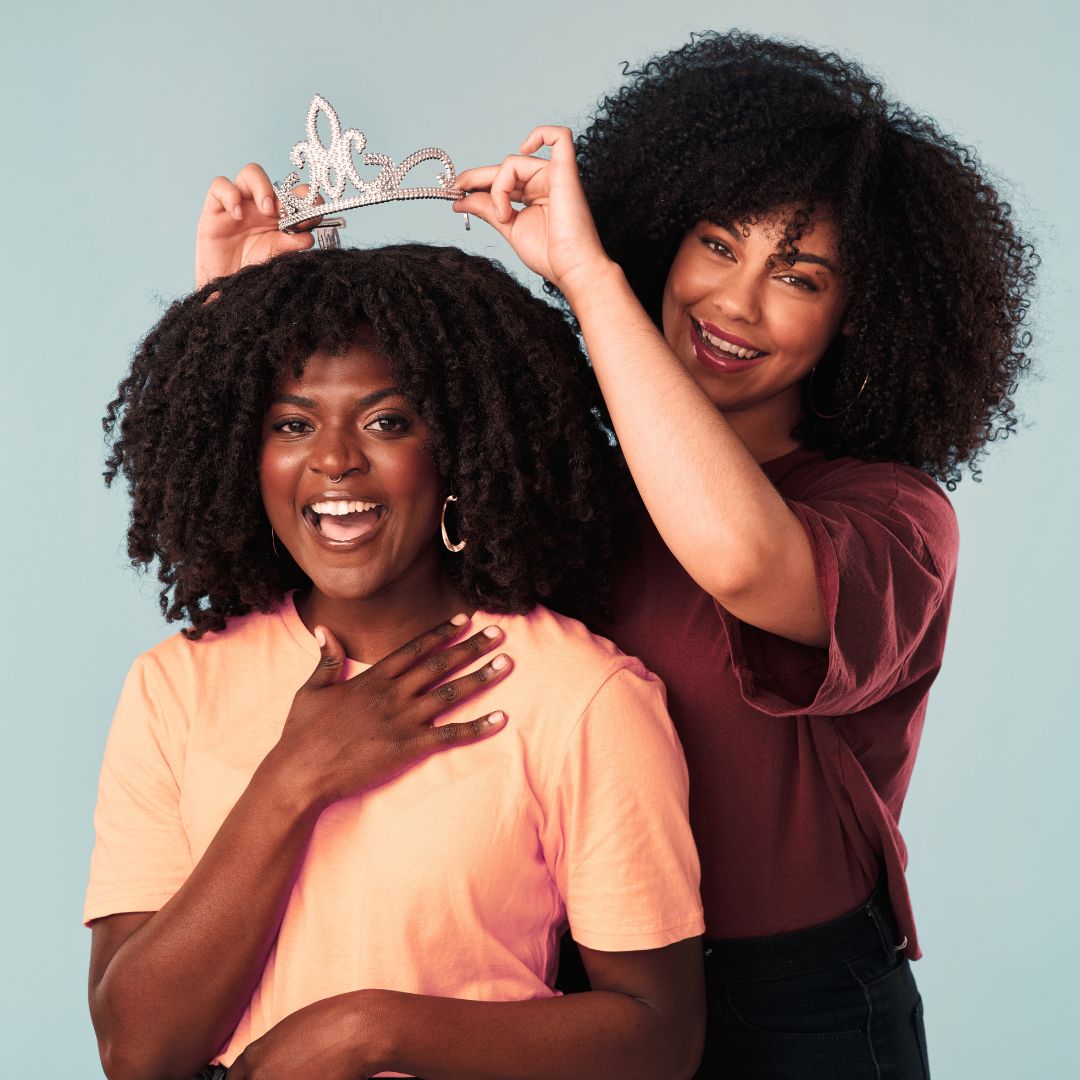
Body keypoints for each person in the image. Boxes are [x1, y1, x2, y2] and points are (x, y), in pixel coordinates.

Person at [444, 30, 1037, 1079]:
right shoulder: (563, 478)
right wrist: (239, 300)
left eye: (797, 276)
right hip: (579, 980)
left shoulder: (895, 517)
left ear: (860, 317)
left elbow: (741, 560)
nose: (735, 303)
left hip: (796, 1006)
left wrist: (587, 277)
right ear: (664, 234)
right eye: (717, 245)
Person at [85, 244, 706, 1080]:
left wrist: (369, 1030)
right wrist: (296, 777)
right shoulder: (174, 687)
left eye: (387, 422)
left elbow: (661, 1038)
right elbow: (136, 1054)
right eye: (293, 424)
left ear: (460, 447)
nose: (334, 459)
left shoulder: (581, 697)